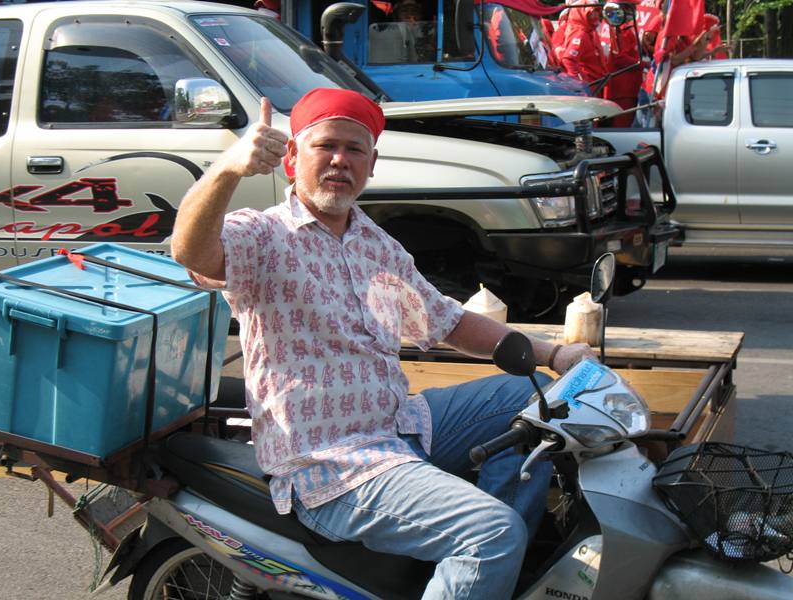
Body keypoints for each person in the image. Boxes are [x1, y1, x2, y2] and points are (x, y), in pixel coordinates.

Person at [171, 88, 595, 599]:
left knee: (537, 400)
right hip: (330, 463)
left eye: (354, 150)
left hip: (400, 426)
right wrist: (228, 169)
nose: (338, 160)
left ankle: (491, 569)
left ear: (372, 164)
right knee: (491, 532)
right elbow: (191, 250)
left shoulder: (377, 244)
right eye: (325, 146)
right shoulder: (264, 236)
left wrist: (553, 354)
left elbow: (449, 322)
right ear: (290, 159)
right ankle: (485, 546)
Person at [558, 0, 608, 88]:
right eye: (592, 13)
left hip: (597, 82)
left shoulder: (590, 31)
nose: (595, 15)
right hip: (590, 86)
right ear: (581, 14)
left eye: (596, 12)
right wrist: (579, 82)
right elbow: (568, 59)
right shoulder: (581, 34)